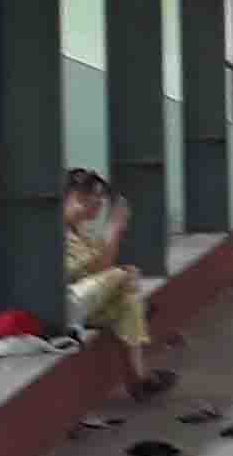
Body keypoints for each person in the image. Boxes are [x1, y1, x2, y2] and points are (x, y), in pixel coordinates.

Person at [62, 166, 173, 396]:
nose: (99, 204)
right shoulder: (56, 230)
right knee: (122, 277)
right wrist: (114, 228)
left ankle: (137, 380)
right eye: (94, 197)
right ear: (76, 196)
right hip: (66, 305)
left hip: (85, 302)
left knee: (127, 301)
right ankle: (140, 310)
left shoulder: (81, 232)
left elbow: (98, 266)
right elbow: (100, 266)